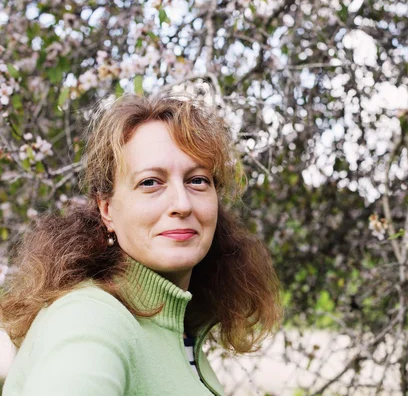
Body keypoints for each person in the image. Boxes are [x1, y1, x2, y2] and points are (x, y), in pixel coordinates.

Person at [0, 90, 281, 395]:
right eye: (150, 182)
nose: (182, 204)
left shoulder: (176, 329)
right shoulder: (89, 319)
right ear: (107, 209)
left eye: (197, 180)